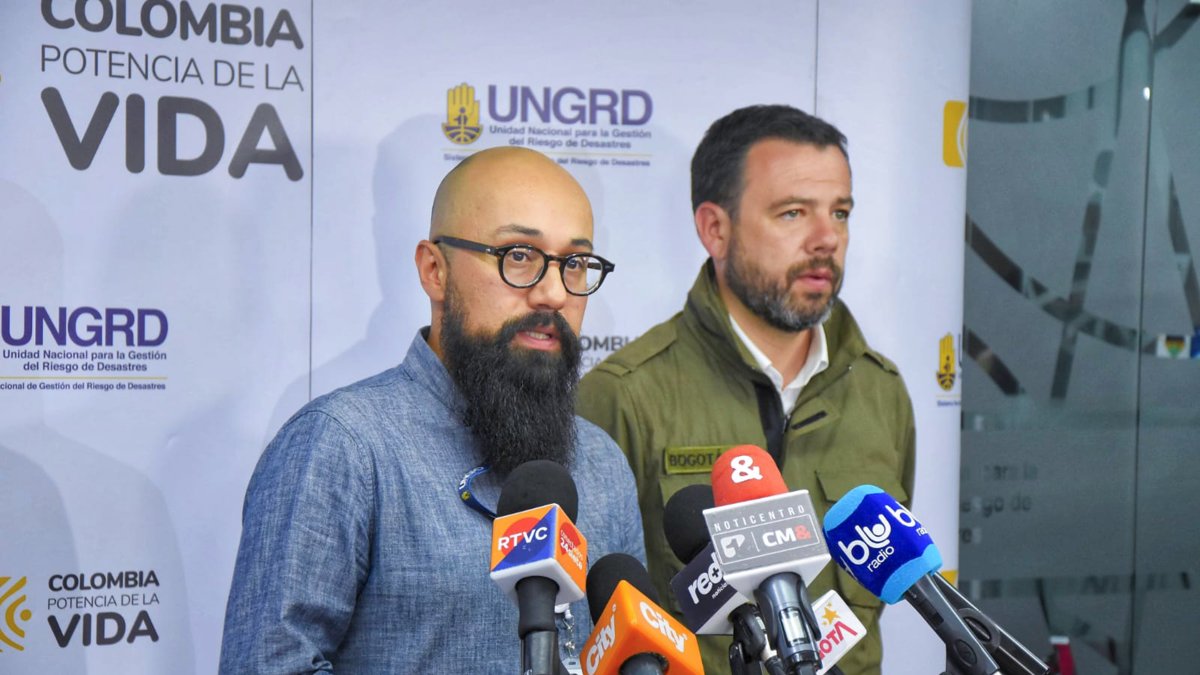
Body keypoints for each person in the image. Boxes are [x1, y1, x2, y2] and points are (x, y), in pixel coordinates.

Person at [220, 147, 645, 673]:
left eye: (575, 263)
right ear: (434, 270)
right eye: (518, 256)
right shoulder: (340, 447)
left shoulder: (602, 462)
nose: (554, 293)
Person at [577, 104, 916, 675]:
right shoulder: (623, 395)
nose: (826, 239)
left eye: (840, 212)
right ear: (715, 228)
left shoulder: (881, 390)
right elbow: (595, 622)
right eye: (792, 213)